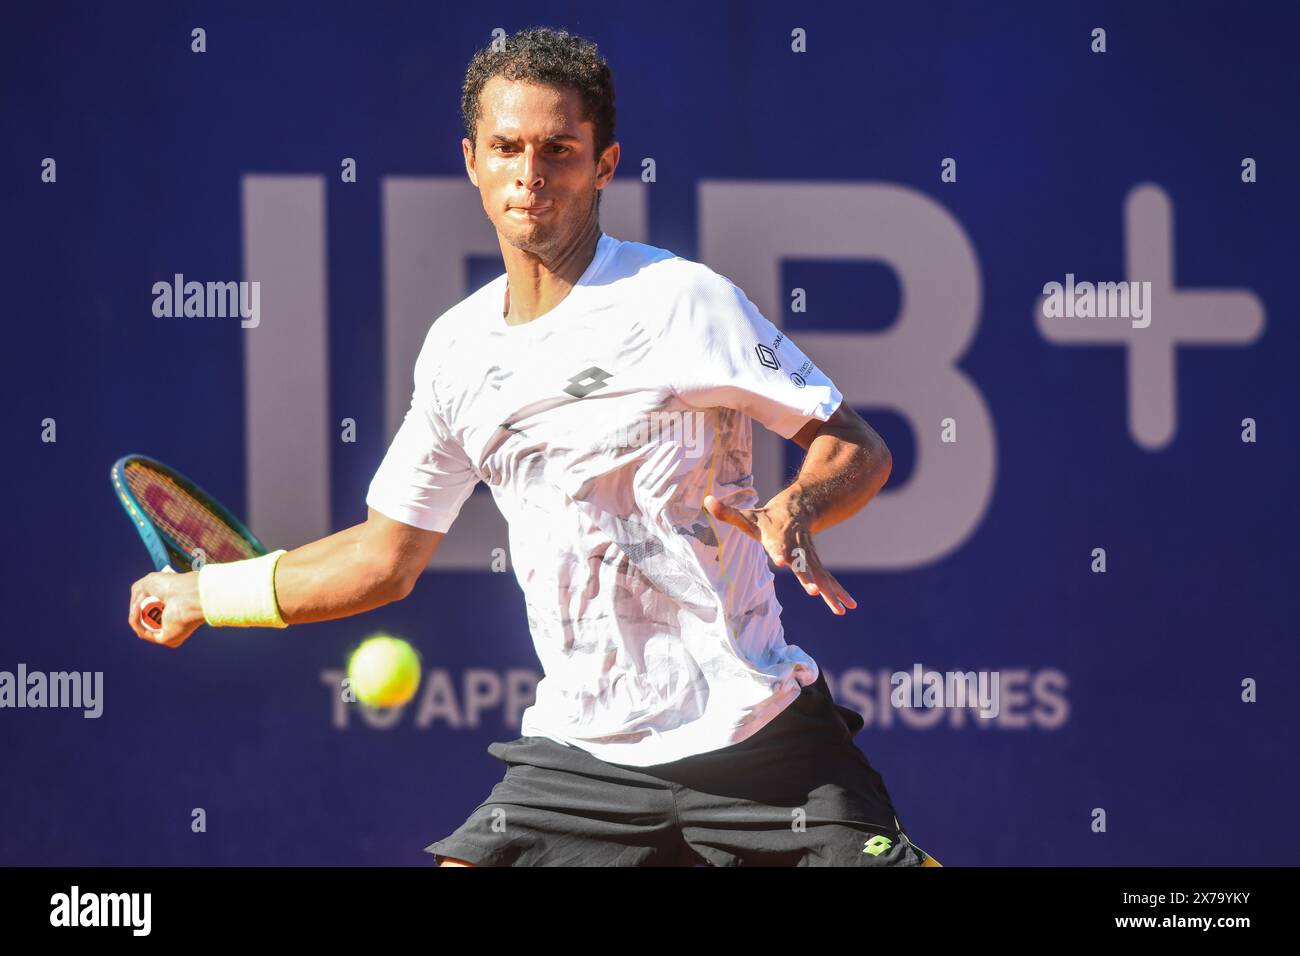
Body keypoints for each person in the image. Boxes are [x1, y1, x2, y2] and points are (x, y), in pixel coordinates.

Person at [127, 26, 939, 868]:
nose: (530, 174)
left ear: (605, 164)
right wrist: (204, 595)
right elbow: (383, 559)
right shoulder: (456, 351)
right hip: (582, 755)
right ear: (472, 160)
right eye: (508, 148)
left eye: (559, 149)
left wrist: (795, 506)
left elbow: (857, 447)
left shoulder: (680, 302)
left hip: (757, 735)